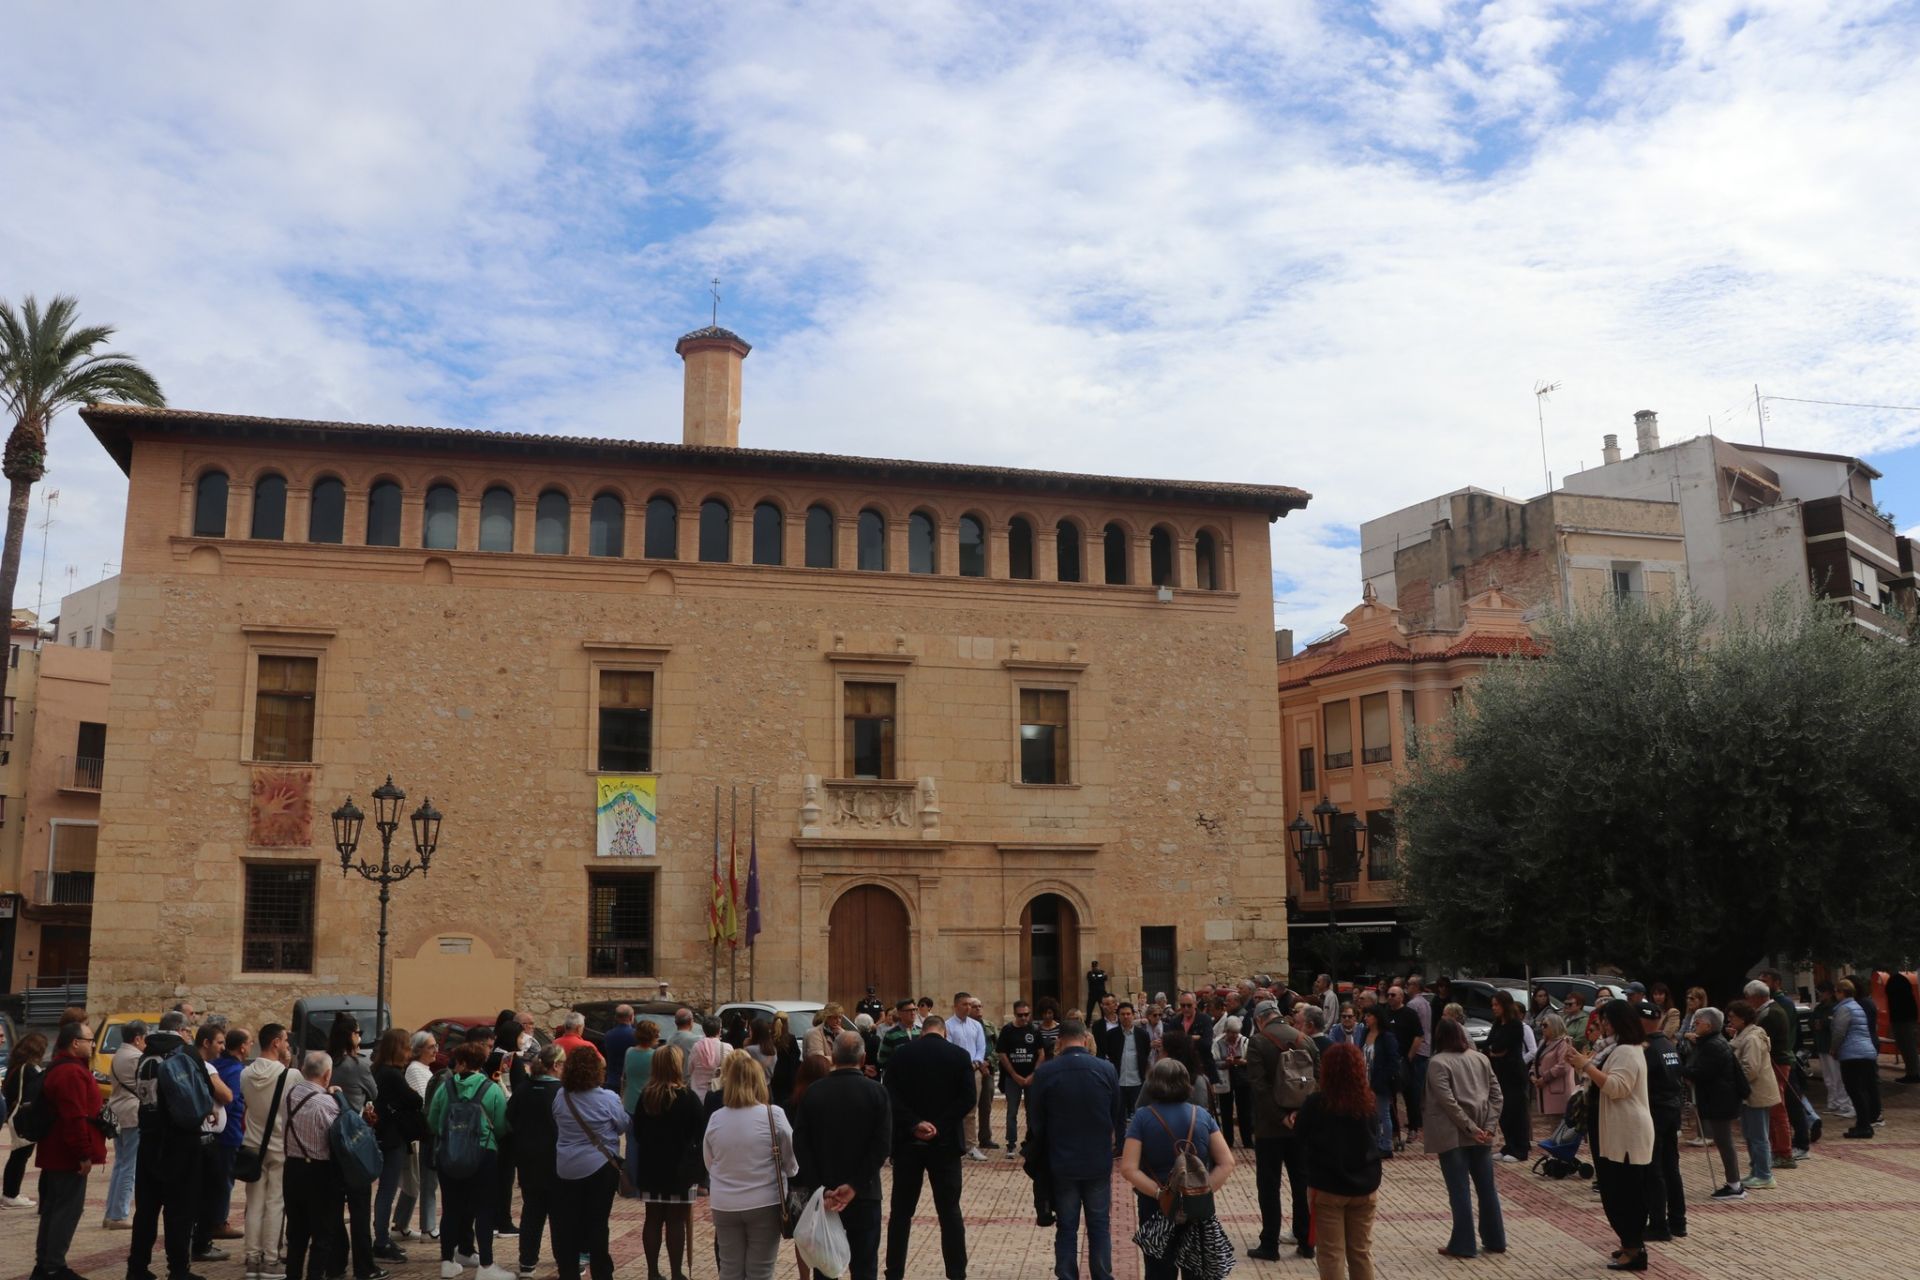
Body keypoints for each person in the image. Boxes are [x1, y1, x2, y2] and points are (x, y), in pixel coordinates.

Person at [1118, 1058, 1234, 1280]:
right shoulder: (1201, 1115)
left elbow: (1128, 1168)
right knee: (1197, 1271)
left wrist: (1160, 1193)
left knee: (1159, 1271)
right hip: (1197, 1208)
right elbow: (1227, 1162)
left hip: (1156, 1208)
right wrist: (1204, 1191)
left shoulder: (1142, 1118)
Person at [1028, 1019, 1123, 1280]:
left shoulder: (1047, 1072)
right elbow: (1115, 1112)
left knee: (1067, 1225)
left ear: (1059, 1041)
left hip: (1062, 1160)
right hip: (1097, 1159)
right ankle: (1102, 1274)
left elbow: (1035, 1119)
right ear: (1085, 1038)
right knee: (1099, 1225)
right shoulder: (1106, 1069)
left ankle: (1067, 1275)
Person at [794, 1032, 891, 1280]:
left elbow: (802, 1146)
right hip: (864, 1191)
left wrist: (820, 1186)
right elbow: (881, 1146)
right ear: (863, 1057)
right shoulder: (877, 1092)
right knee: (865, 1267)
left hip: (825, 1193)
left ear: (833, 1056)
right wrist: (856, 1184)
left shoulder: (814, 1093)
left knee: (825, 1266)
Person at [882, 1015, 973, 1280]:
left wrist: (915, 1124)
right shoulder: (958, 1056)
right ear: (944, 1032)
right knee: (950, 1212)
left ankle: (894, 1272)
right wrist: (939, 1125)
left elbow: (889, 1094)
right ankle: (956, 1272)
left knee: (901, 1213)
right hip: (944, 1144)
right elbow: (967, 1098)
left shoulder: (901, 1055)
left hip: (909, 1143)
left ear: (923, 1031)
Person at [1567, 1000, 1656, 1271]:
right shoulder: (1611, 1049)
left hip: (1626, 1131)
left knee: (1626, 1192)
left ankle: (1635, 1248)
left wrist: (1586, 1066)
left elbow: (1618, 1087)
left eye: (1606, 1021)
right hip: (1608, 1128)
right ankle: (1628, 1242)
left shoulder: (1628, 1051)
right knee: (1612, 1189)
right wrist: (1580, 1063)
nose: (1603, 1026)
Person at [129, 1010, 209, 1280]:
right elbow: (204, 1091)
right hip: (181, 1140)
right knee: (180, 1209)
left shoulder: (145, 1054)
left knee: (147, 1210)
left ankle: (137, 1267)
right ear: (182, 1030)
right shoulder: (185, 1053)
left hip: (149, 1138)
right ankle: (178, 1269)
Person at [704, 1051, 797, 1280]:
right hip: (765, 1200)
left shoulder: (717, 1117)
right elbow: (791, 1161)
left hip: (724, 1202)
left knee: (730, 1269)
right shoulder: (773, 1114)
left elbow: (709, 1161)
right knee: (760, 1271)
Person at [426, 1040, 513, 1279]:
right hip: (483, 1154)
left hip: (448, 1154)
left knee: (451, 1208)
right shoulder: (492, 1089)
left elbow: (433, 1122)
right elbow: (502, 1125)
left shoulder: (445, 1088)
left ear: (461, 1062)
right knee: (484, 1209)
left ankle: (447, 1261)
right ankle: (486, 1266)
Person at [1297, 1043, 1383, 1280]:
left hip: (1327, 1186)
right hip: (1365, 1184)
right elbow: (1375, 1136)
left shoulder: (1317, 1102)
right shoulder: (1368, 1102)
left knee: (1331, 1253)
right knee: (1361, 1251)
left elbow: (1300, 1137)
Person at [1425, 1017, 1506, 1260]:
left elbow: (1448, 1103)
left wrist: (1472, 1129)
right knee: (1486, 1188)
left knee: (1459, 1190)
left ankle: (1463, 1243)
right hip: (1482, 1131)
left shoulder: (1437, 1062)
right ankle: (1495, 1240)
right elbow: (1497, 1095)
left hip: (1454, 1135)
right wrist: (1488, 1127)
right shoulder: (1480, 1058)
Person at [29, 1019, 104, 1280]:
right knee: (66, 1211)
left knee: (54, 1209)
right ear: (75, 1043)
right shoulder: (71, 1072)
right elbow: (74, 1117)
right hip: (66, 1154)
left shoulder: (61, 1067)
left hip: (56, 1151)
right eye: (90, 1040)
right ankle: (53, 1266)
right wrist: (83, 1154)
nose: (93, 1044)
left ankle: (46, 1264)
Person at [1246, 998, 1317, 1261]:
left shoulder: (1258, 1042)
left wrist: (1280, 1117)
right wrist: (1300, 1115)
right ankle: (1307, 1240)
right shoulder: (1305, 1040)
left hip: (1270, 1128)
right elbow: (1317, 1081)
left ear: (1260, 1019)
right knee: (1302, 1183)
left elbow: (1259, 1087)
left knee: (1269, 1185)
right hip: (1301, 1127)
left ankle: (1270, 1243)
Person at [550, 1046, 629, 1280]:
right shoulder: (608, 1098)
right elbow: (624, 1125)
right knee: (597, 1223)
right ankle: (602, 1273)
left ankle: (569, 1273)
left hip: (566, 1167)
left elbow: (556, 1120)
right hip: (600, 1166)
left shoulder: (561, 1096)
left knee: (569, 1224)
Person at [628, 1045, 703, 1280]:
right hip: (680, 1167)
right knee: (675, 1220)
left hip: (651, 1164)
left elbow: (637, 1132)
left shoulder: (646, 1096)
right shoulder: (688, 1097)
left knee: (652, 1218)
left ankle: (652, 1271)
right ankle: (675, 1272)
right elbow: (700, 1131)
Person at [325, 1014, 381, 1280]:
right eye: (358, 1032)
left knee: (334, 1209)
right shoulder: (357, 1065)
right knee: (359, 1210)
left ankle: (336, 1262)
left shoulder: (325, 1061)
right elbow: (374, 1092)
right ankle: (364, 1266)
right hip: (353, 1140)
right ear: (351, 1036)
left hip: (327, 1141)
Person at [284, 1050, 346, 1280]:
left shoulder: (290, 1095)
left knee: (297, 1234)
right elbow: (341, 1137)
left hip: (292, 1168)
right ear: (327, 1074)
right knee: (322, 1236)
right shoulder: (327, 1103)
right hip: (319, 1171)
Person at [242, 1023, 296, 1280]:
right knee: (276, 1203)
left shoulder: (245, 1073)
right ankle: (270, 1259)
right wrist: (289, 1063)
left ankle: (252, 1258)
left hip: (253, 1144)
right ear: (276, 1042)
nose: (287, 1044)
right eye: (285, 1040)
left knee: (254, 1204)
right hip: (279, 1145)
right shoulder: (289, 1075)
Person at [505, 1044, 563, 1277]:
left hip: (528, 1159)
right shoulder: (561, 1091)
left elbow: (508, 1120)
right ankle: (565, 1258)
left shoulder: (523, 1088)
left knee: (532, 1212)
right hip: (557, 1160)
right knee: (560, 1214)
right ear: (557, 1065)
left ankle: (527, 1263)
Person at [1678, 1008, 1747, 1199]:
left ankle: (1734, 1185)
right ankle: (1734, 1183)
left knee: (1724, 1141)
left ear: (1708, 1026)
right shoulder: (1710, 1042)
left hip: (1720, 1099)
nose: (1694, 1025)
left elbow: (1702, 1072)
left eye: (1698, 1022)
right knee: (1722, 1140)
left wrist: (1680, 1070)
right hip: (1718, 1097)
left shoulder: (1713, 1045)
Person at [371, 1027, 424, 1265]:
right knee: (387, 1190)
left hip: (384, 1134)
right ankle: (381, 1241)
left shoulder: (378, 1070)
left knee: (387, 1189)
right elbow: (415, 1099)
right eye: (406, 1046)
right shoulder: (392, 1074)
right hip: (392, 1137)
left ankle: (382, 1237)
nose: (410, 1051)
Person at [1636, 1000, 1686, 1242]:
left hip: (1655, 1112)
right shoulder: (1668, 1045)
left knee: (1653, 1169)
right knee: (1671, 1167)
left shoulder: (1646, 1049)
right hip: (1671, 1110)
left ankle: (1658, 1224)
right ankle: (1678, 1221)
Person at [1726, 1000, 1777, 1190]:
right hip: (1748, 1095)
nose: (1730, 1021)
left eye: (1733, 1017)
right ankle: (1757, 1170)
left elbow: (1751, 1069)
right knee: (1749, 1134)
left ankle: (1764, 1174)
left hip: (1756, 1093)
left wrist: (1735, 1083)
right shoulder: (1742, 1035)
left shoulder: (1753, 1038)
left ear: (1743, 1018)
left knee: (1758, 1135)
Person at [101, 1018, 147, 1228]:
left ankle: (112, 1211)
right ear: (138, 1038)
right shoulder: (136, 1057)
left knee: (120, 1163)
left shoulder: (119, 1054)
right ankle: (119, 1214)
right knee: (129, 1164)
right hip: (131, 1113)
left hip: (118, 1111)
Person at [398, 1029, 440, 1243]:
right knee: (424, 1181)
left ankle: (401, 1224)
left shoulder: (425, 1069)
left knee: (415, 1182)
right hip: (422, 1134)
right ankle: (428, 1227)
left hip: (424, 1132)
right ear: (418, 1050)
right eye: (431, 1047)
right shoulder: (415, 1070)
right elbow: (426, 1101)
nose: (435, 1050)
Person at [941, 994, 991, 1160]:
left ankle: (970, 1145)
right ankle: (952, 1143)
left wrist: (976, 1063)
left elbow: (981, 1047)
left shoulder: (976, 1026)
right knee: (952, 1107)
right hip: (954, 1073)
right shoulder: (947, 1026)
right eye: (964, 1004)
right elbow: (947, 1048)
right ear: (956, 1006)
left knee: (970, 1110)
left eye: (970, 1004)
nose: (968, 1007)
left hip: (973, 1072)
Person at [4, 1031, 48, 1209]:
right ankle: (11, 1193)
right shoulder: (28, 1068)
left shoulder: (16, 1065)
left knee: (18, 1155)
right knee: (20, 1156)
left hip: (15, 1115)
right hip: (24, 1116)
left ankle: (10, 1192)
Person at [1484, 992, 1530, 1163]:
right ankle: (1509, 1146)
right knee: (1503, 1112)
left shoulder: (1515, 1025)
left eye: (1496, 1005)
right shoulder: (1497, 1024)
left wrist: (1496, 1051)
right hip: (1499, 1073)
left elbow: (1502, 1046)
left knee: (1516, 1112)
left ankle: (1520, 1148)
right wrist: (1494, 1052)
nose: (1494, 1008)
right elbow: (1490, 1046)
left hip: (1513, 1074)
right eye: (1492, 1005)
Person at [1834, 978, 1882, 1138]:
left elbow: (1839, 1032)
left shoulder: (1844, 1009)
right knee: (1863, 1088)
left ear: (1841, 992)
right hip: (1866, 1051)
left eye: (1837, 991)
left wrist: (1833, 1049)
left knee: (1854, 1089)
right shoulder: (1857, 1006)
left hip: (1852, 1053)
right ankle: (1866, 1122)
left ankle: (1864, 1125)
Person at [994, 1001, 1040, 1159]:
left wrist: (1033, 1075)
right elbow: (1002, 1054)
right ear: (1015, 1014)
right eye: (1020, 1015)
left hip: (1031, 1078)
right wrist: (1014, 1075)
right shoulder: (1007, 1030)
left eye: (1026, 1014)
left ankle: (1031, 1142)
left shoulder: (1034, 1030)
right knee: (1011, 1112)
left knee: (1032, 1111)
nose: (1024, 1018)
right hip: (1012, 1078)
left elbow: (1041, 1053)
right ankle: (1011, 1143)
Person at [1099, 1002, 1152, 1123]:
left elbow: (1146, 1054)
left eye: (1128, 1014)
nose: (1126, 1016)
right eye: (1122, 1014)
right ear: (1118, 1016)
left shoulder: (1142, 1035)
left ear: (1133, 1015)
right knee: (1118, 1116)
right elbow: (1108, 1055)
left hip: (1137, 1082)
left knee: (1139, 1116)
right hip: (1119, 1082)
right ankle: (1119, 1141)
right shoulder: (1111, 1035)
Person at [1383, 986, 1423, 1149]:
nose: (1390, 997)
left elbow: (1419, 1036)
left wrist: (1409, 1056)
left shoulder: (1409, 1014)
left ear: (1401, 997)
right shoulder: (1385, 1013)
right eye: (1388, 995)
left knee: (1410, 1094)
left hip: (1405, 1060)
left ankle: (1413, 1127)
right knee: (1391, 1097)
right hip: (1389, 1061)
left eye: (1393, 995)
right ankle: (1394, 1132)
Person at [1358, 1006, 1400, 1157]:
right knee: (1370, 1114)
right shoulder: (1365, 1033)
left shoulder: (1386, 1037)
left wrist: (1383, 1079)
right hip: (1365, 1080)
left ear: (1376, 1017)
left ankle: (1386, 1145)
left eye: (1368, 1015)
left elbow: (1393, 1062)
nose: (1365, 1018)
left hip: (1380, 1080)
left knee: (1383, 1113)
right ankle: (1374, 1142)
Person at [1214, 1016, 1254, 1149]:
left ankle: (1247, 1140)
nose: (1234, 1035)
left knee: (1244, 1110)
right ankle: (1228, 1140)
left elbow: (1251, 1061)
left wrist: (1242, 1062)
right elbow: (1215, 1062)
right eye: (1232, 1032)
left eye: (1236, 1032)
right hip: (1225, 1077)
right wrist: (1226, 1063)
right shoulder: (1218, 1042)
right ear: (1226, 1031)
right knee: (1226, 1111)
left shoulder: (1245, 1041)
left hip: (1242, 1078)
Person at [1532, 1014, 1574, 1118]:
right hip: (1544, 1091)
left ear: (1554, 1026)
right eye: (1541, 1025)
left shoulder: (1564, 1042)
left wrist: (1545, 1078)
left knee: (1559, 1126)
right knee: (1551, 1126)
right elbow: (1535, 1061)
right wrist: (1532, 1076)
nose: (1542, 1028)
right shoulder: (1543, 1042)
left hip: (1558, 1091)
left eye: (1545, 1025)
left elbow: (1563, 1065)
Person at [1887, 967, 1920, 1083]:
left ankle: (1913, 1074)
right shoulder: (1902, 982)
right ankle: (1913, 1072)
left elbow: (1893, 1004)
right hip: (1908, 1019)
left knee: (1906, 1047)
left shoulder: (1894, 983)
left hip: (1901, 1020)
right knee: (1910, 1047)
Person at [623, 1021, 662, 1117]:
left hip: (629, 1101)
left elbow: (624, 1078)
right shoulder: (656, 1055)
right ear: (652, 1037)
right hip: (648, 1103)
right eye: (657, 1034)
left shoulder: (629, 1051)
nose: (659, 1036)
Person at [602, 1007, 638, 1100]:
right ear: (631, 1017)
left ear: (616, 1018)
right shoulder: (636, 1035)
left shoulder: (608, 1035)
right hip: (630, 1081)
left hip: (612, 1080)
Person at [690, 1019, 731, 1097]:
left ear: (704, 1030)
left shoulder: (696, 1047)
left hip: (697, 1094)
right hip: (717, 1094)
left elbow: (690, 1069)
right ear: (719, 1030)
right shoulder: (727, 1048)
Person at [877, 1001, 917, 1075]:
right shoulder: (891, 1034)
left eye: (914, 1009)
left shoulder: (920, 1031)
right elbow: (882, 1059)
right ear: (900, 1013)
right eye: (909, 1010)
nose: (913, 1013)